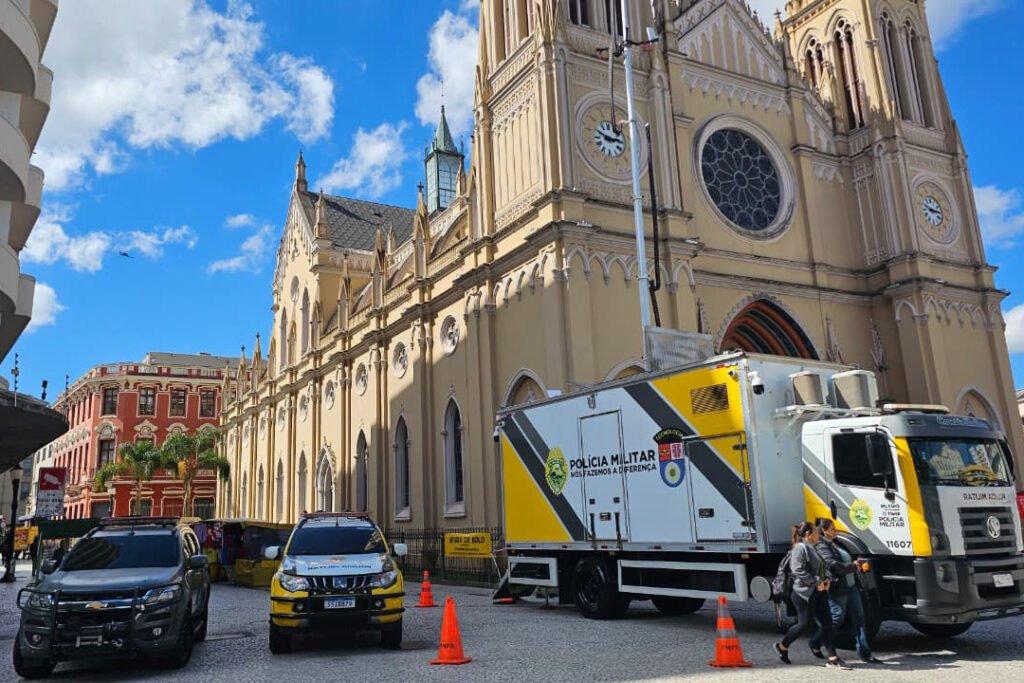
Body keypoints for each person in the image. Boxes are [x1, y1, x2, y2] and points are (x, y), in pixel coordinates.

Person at [773, 521, 850, 670]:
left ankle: (833, 658)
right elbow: (798, 570)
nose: (818, 535)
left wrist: (826, 580)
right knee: (803, 624)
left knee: (827, 623)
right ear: (808, 535)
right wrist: (816, 582)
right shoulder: (799, 549)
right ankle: (782, 646)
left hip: (819, 592)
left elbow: (823, 567)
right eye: (816, 532)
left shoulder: (814, 548)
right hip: (803, 595)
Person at [809, 519, 883, 664]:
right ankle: (815, 641)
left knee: (859, 618)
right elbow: (833, 566)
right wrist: (853, 566)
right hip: (838, 587)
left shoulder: (835, 543)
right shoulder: (822, 545)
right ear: (824, 530)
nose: (835, 531)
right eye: (832, 528)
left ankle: (865, 653)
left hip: (851, 585)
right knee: (837, 618)